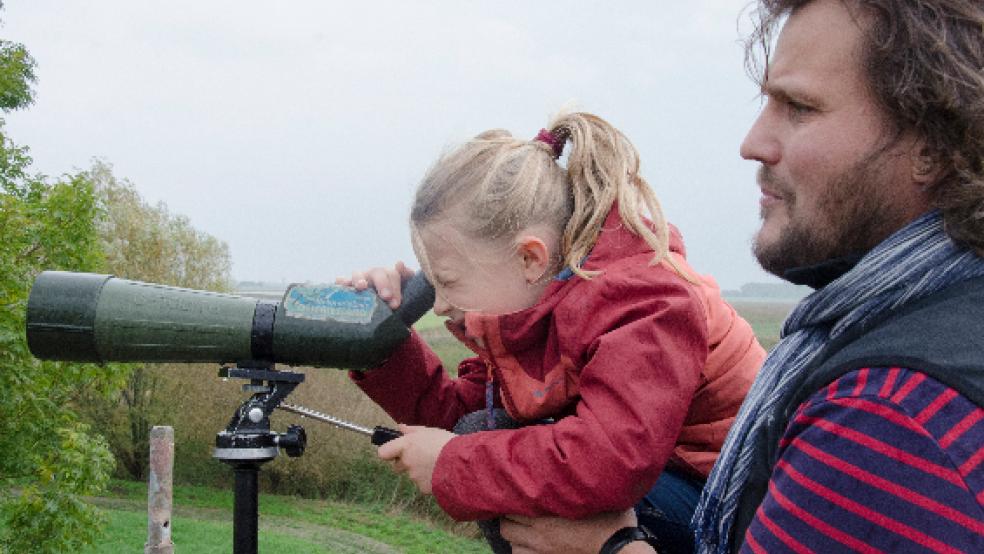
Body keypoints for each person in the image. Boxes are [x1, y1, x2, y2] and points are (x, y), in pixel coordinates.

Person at [499, 0, 984, 552]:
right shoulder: (938, 318)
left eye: (798, 107)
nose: (752, 142)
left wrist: (611, 549)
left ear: (934, 145)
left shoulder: (887, 420)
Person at [340, 112, 765, 553]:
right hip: (661, 476)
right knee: (481, 434)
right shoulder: (531, 308)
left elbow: (611, 462)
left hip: (728, 502)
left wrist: (453, 465)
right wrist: (379, 341)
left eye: (446, 280)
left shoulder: (644, 302)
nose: (441, 304)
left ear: (530, 259)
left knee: (485, 452)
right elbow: (461, 416)